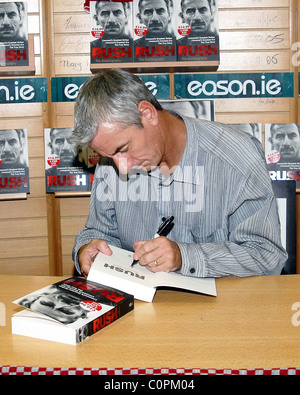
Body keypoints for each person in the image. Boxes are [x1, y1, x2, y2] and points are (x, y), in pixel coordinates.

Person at [72, 69, 287, 278]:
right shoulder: (112, 158)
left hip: (222, 308)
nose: (123, 168)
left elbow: (266, 256)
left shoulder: (237, 156)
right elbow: (99, 232)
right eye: (110, 156)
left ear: (148, 114)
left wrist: (185, 257)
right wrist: (87, 249)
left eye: (123, 149)